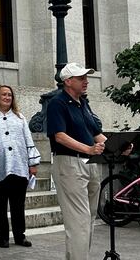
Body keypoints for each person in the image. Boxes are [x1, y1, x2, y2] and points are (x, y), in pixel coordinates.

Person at [47, 63, 111, 260]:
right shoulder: (57, 103)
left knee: (88, 219)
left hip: (90, 164)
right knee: (79, 221)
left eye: (86, 77)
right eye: (81, 78)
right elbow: (59, 136)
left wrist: (117, 147)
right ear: (68, 81)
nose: (86, 81)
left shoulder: (83, 103)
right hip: (69, 164)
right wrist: (89, 149)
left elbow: (95, 133)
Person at [0, 85, 40, 248]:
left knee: (18, 205)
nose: (7, 97)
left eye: (10, 95)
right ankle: (2, 237)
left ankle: (20, 236)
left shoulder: (20, 117)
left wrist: (33, 163)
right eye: (4, 95)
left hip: (19, 165)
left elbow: (28, 140)